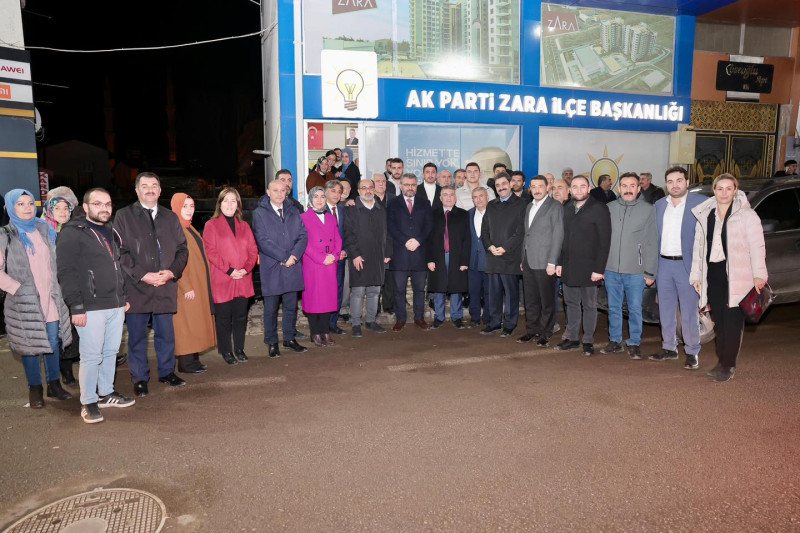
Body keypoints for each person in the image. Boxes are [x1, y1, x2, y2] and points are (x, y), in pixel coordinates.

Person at [57, 188, 135, 423]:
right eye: (98, 204)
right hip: (90, 306)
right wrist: (76, 306)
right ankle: (88, 401)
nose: (104, 208)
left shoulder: (111, 230)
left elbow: (118, 266)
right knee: (91, 356)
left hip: (115, 304)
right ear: (86, 207)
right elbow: (66, 272)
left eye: (108, 204)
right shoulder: (73, 232)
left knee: (110, 352)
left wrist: (123, 297)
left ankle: (106, 393)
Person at [115, 172, 189, 397]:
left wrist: (171, 272)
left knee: (166, 335)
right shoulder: (124, 216)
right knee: (137, 337)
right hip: (137, 287)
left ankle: (167, 372)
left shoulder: (170, 217)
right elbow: (120, 252)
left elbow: (182, 249)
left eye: (154, 185)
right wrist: (142, 275)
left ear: (159, 190)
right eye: (145, 185)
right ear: (137, 190)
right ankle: (139, 378)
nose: (150, 189)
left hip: (165, 286)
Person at [690, 173, 767, 382]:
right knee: (720, 322)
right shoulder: (706, 215)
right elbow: (698, 249)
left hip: (738, 274)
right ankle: (722, 361)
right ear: (714, 190)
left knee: (732, 322)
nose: (724, 193)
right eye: (720, 188)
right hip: (713, 274)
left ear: (735, 190)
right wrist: (696, 276)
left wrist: (759, 275)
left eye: (728, 188)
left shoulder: (747, 215)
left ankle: (728, 364)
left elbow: (757, 246)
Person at [0, 189, 73, 409]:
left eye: (30, 203)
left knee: (52, 342)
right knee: (29, 346)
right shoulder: (5, 234)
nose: (27, 208)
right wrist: (16, 288)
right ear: (11, 207)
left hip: (50, 298)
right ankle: (35, 388)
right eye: (20, 204)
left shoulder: (44, 229)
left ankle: (54, 384)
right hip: (24, 301)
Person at [648, 166, 706, 369]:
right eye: (670, 182)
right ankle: (669, 347)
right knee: (665, 309)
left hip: (687, 265)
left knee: (689, 311)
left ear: (687, 182)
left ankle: (692, 351)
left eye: (679, 180)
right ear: (666, 184)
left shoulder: (701, 203)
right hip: (663, 264)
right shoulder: (659, 205)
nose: (675, 185)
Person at [599, 172, 657, 359]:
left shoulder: (648, 210)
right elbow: (601, 239)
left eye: (633, 186)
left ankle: (634, 342)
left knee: (635, 309)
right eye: (624, 186)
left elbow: (652, 242)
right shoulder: (609, 208)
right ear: (619, 188)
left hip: (636, 271)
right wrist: (600, 266)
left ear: (639, 188)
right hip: (611, 270)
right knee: (613, 308)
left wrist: (650, 271)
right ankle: (615, 341)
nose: (628, 189)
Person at [555, 175, 611, 356]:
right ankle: (572, 338)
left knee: (589, 305)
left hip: (590, 268)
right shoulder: (567, 208)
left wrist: (599, 269)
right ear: (570, 190)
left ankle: (588, 340)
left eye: (582, 186)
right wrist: (559, 263)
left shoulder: (599, 208)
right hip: (569, 266)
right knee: (571, 303)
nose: (578, 190)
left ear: (589, 189)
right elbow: (562, 239)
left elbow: (604, 241)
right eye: (575, 187)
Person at [253, 179, 309, 357]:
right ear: (268, 192)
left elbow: (303, 235)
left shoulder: (294, 211)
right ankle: (271, 341)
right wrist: (285, 257)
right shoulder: (259, 213)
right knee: (270, 308)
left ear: (287, 193)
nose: (279, 193)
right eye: (275, 190)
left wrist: (294, 256)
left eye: (282, 190)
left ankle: (289, 339)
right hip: (272, 266)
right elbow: (262, 241)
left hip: (292, 265)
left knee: (291, 306)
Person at [204, 189, 258, 364]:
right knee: (224, 318)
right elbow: (211, 252)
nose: (229, 204)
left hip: (243, 278)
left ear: (238, 205)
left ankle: (239, 348)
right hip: (223, 278)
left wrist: (246, 269)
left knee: (241, 317)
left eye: (233, 201)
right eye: (226, 200)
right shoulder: (211, 225)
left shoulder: (244, 226)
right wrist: (229, 270)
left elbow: (253, 251)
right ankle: (226, 350)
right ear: (220, 204)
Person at [169, 193, 217, 372]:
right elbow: (174, 261)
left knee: (195, 323)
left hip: (197, 283)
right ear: (176, 208)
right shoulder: (175, 230)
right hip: (187, 287)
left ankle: (193, 359)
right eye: (185, 206)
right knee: (187, 324)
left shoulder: (188, 227)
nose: (189, 210)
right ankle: (186, 363)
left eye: (191, 206)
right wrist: (186, 286)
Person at [41, 188, 80, 385]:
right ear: (49, 210)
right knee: (56, 333)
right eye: (58, 208)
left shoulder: (75, 229)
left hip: (73, 287)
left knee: (72, 330)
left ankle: (67, 369)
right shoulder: (42, 232)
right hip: (52, 290)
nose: (63, 212)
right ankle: (58, 375)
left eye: (66, 208)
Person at [480, 172, 527, 337]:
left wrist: (505, 247)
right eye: (498, 185)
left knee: (511, 294)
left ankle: (509, 324)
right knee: (493, 294)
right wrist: (490, 246)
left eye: (504, 184)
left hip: (510, 257)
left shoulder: (522, 204)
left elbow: (521, 231)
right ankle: (494, 323)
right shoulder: (491, 205)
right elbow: (484, 230)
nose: (501, 187)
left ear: (511, 184)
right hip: (493, 256)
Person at [518, 175, 563, 346]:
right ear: (529, 189)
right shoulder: (529, 206)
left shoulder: (555, 206)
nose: (537, 190)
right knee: (530, 299)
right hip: (528, 260)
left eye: (540, 186)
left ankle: (545, 332)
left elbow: (558, 235)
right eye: (534, 187)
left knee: (546, 300)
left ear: (547, 188)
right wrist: (523, 258)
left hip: (545, 262)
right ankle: (531, 330)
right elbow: (527, 234)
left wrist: (552, 262)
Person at [345, 179, 392, 337]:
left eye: (371, 187)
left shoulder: (381, 209)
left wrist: (388, 253)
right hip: (359, 257)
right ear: (358, 191)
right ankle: (356, 323)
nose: (368, 190)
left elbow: (388, 233)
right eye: (364, 188)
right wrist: (355, 255)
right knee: (358, 292)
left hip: (378, 257)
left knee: (374, 291)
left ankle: (371, 321)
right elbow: (348, 234)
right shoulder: (352, 209)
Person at [387, 173, 433, 331]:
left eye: (413, 184)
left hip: (419, 253)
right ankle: (401, 319)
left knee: (419, 290)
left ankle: (419, 318)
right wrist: (405, 241)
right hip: (399, 253)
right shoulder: (392, 203)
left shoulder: (424, 203)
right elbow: (390, 226)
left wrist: (418, 240)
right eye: (407, 184)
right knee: (399, 290)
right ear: (401, 185)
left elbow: (429, 225)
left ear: (416, 186)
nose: (410, 188)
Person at [300, 187, 342, 347]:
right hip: (313, 264)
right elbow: (304, 243)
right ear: (310, 199)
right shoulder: (303, 217)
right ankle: (315, 333)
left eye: (322, 196)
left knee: (327, 299)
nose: (319, 200)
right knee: (314, 299)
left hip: (330, 263)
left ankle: (325, 331)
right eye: (316, 197)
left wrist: (335, 256)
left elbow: (338, 239)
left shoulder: (331, 218)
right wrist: (321, 258)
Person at [426, 186, 470, 329]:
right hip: (438, 256)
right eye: (445, 195)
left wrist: (464, 261)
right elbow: (428, 239)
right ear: (440, 198)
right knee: (439, 287)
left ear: (455, 198)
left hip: (457, 256)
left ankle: (457, 317)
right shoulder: (432, 214)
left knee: (456, 287)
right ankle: (439, 317)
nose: (449, 197)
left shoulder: (463, 214)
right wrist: (429, 259)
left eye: (452, 195)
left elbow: (467, 239)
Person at [325, 180, 348, 334]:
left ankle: (333, 323)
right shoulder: (319, 210)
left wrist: (345, 251)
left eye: (339, 192)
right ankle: (323, 324)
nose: (336, 194)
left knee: (338, 291)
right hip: (325, 260)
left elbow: (348, 233)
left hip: (341, 259)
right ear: (326, 192)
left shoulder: (343, 210)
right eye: (333, 191)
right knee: (325, 292)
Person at [467, 187, 490, 328]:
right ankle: (474, 318)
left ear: (487, 197)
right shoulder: (468, 214)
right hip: (472, 260)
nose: (479, 199)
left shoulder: (494, 213)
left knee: (489, 292)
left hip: (490, 260)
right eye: (475, 197)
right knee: (473, 291)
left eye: (481, 195)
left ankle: (488, 318)